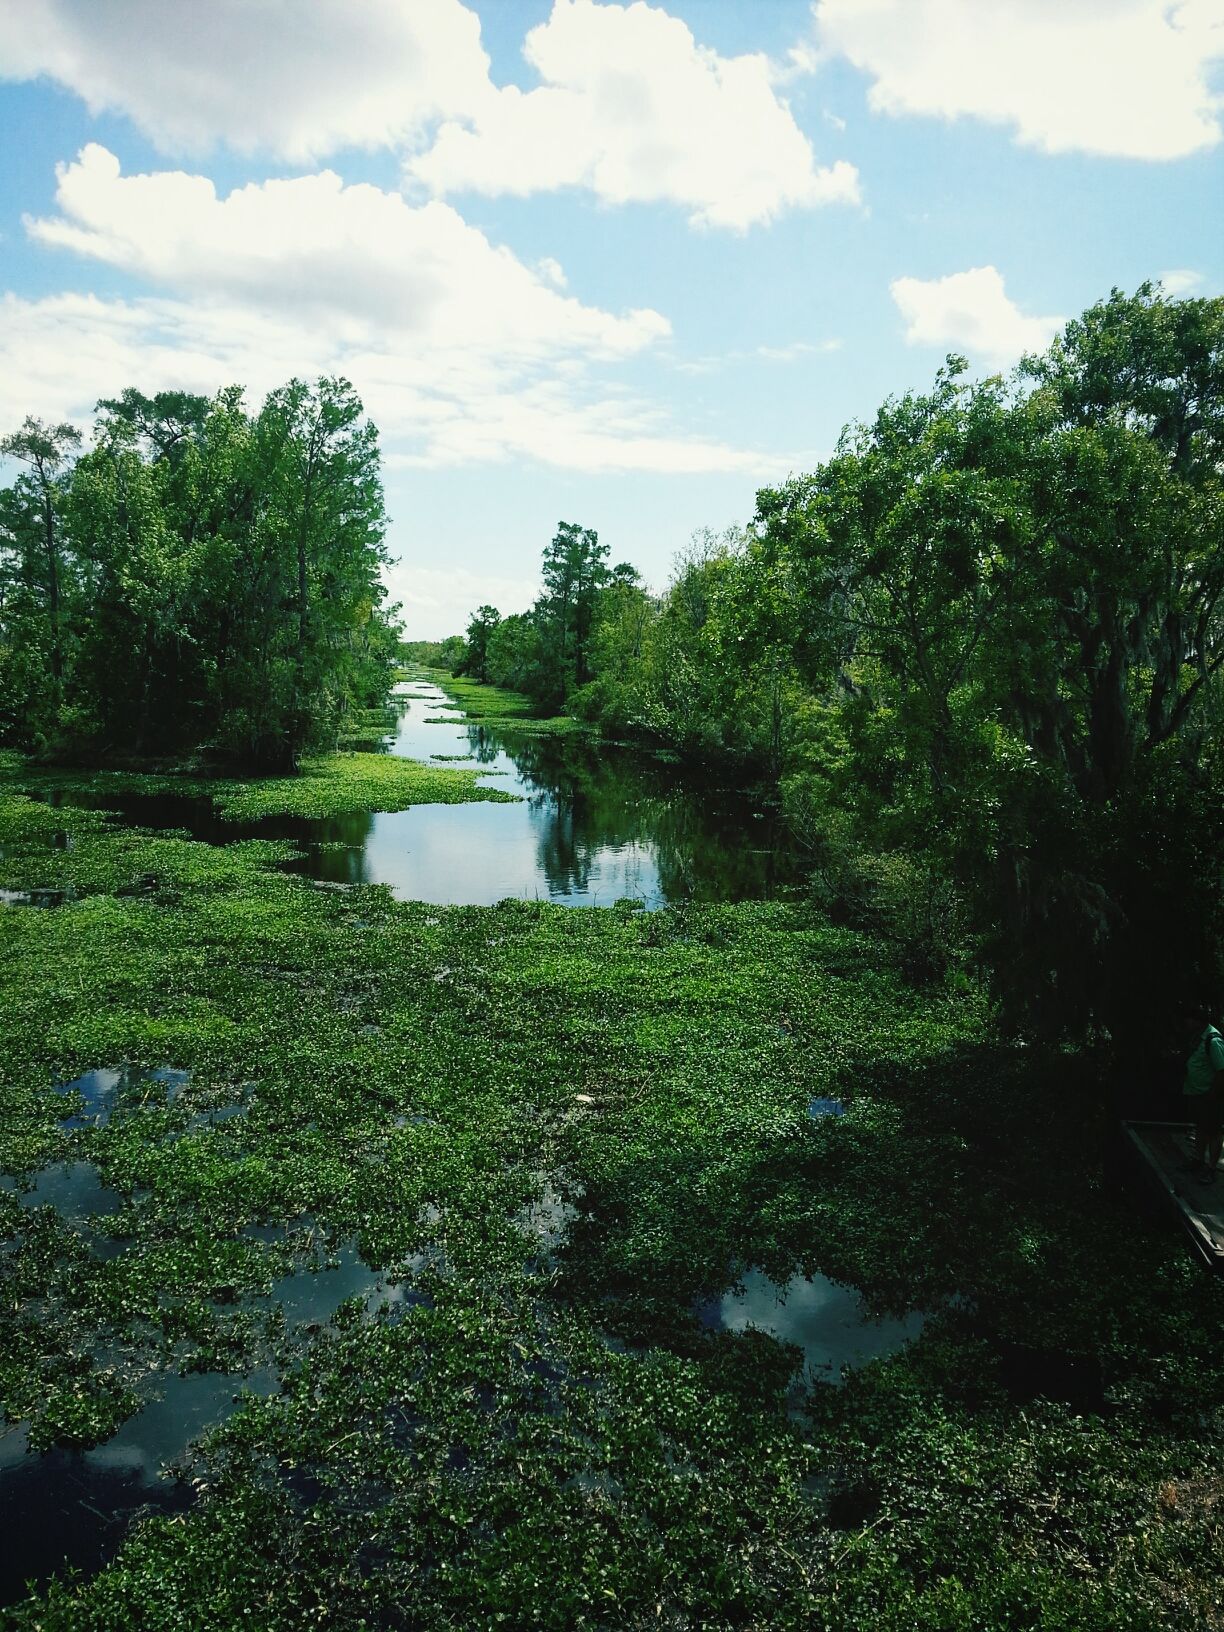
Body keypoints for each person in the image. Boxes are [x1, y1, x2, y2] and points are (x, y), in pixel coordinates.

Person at [1183, 1018, 1224, 1185]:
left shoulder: (1213, 1040)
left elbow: (1222, 1070)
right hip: (1198, 1094)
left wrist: (1213, 1094)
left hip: (1210, 1095)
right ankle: (1198, 1161)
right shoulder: (1198, 1038)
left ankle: (1211, 1168)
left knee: (1214, 1131)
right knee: (1201, 1127)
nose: (1186, 1024)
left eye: (1189, 1021)